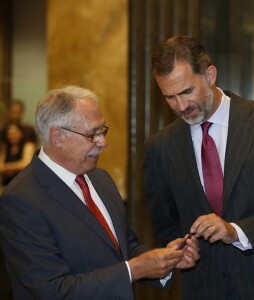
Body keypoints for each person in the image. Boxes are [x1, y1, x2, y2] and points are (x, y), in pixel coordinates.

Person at [0, 85, 199, 300]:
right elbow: (52, 291)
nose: (102, 142)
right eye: (92, 134)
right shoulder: (21, 199)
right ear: (57, 137)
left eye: (102, 131)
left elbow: (124, 248)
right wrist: (134, 269)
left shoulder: (100, 179)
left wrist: (163, 259)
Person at [143, 35, 254, 300]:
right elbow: (166, 225)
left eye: (186, 92)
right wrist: (182, 248)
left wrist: (234, 231)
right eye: (169, 97)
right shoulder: (159, 147)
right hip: (203, 290)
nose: (181, 106)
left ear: (210, 75)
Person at [0, 121, 36, 187]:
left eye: (14, 133)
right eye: (9, 134)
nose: (11, 136)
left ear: (21, 133)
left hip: (23, 184)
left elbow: (25, 164)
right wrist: (16, 167)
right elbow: (1, 167)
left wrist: (7, 167)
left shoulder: (28, 145)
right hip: (6, 184)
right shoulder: (5, 147)